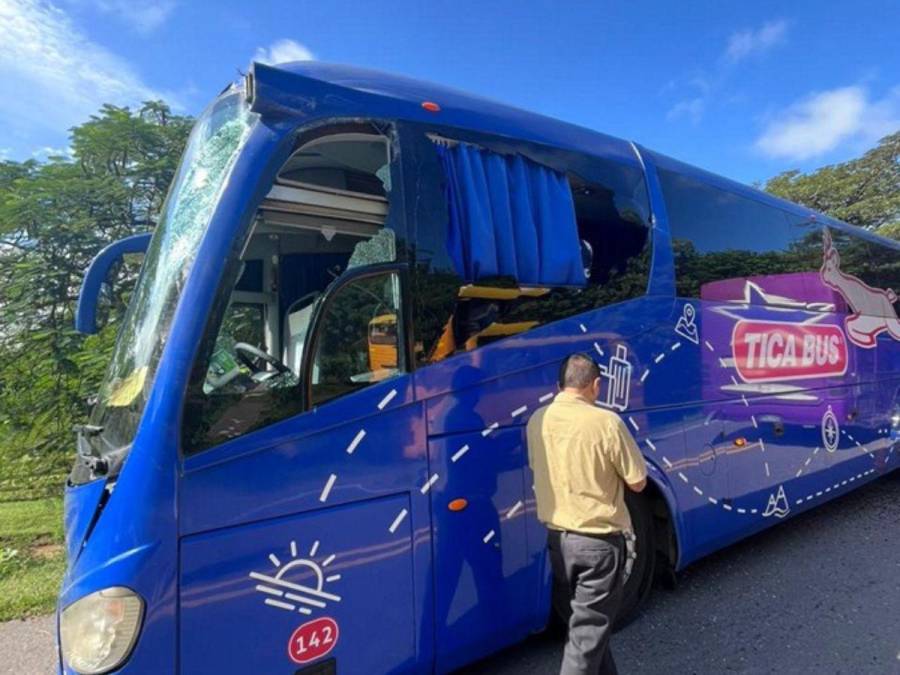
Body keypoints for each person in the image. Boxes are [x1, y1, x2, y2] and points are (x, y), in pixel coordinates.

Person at [526, 352, 648, 675]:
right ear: (596, 385)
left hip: (558, 543)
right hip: (598, 546)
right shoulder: (606, 422)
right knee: (585, 642)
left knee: (589, 629)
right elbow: (637, 482)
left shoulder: (538, 420)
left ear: (560, 385)